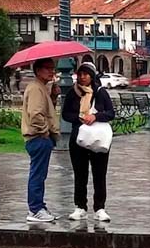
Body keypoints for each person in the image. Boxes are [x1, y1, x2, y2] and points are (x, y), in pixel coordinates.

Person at [61, 61, 115, 222]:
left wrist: (96, 116)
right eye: (80, 74)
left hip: (98, 138)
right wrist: (79, 118)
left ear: (92, 76)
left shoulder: (100, 92)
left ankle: (100, 207)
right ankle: (80, 206)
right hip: (79, 137)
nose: (83, 77)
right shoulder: (73, 93)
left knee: (99, 174)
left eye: (86, 74)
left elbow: (111, 113)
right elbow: (65, 114)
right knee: (80, 174)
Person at [21, 57, 61, 222]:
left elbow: (45, 111)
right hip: (38, 138)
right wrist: (45, 133)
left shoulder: (41, 88)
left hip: (40, 138)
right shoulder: (36, 88)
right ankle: (35, 209)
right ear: (38, 70)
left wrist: (53, 97)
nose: (52, 71)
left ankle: (39, 206)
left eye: (53, 68)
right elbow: (36, 114)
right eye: (48, 68)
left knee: (40, 174)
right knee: (37, 175)